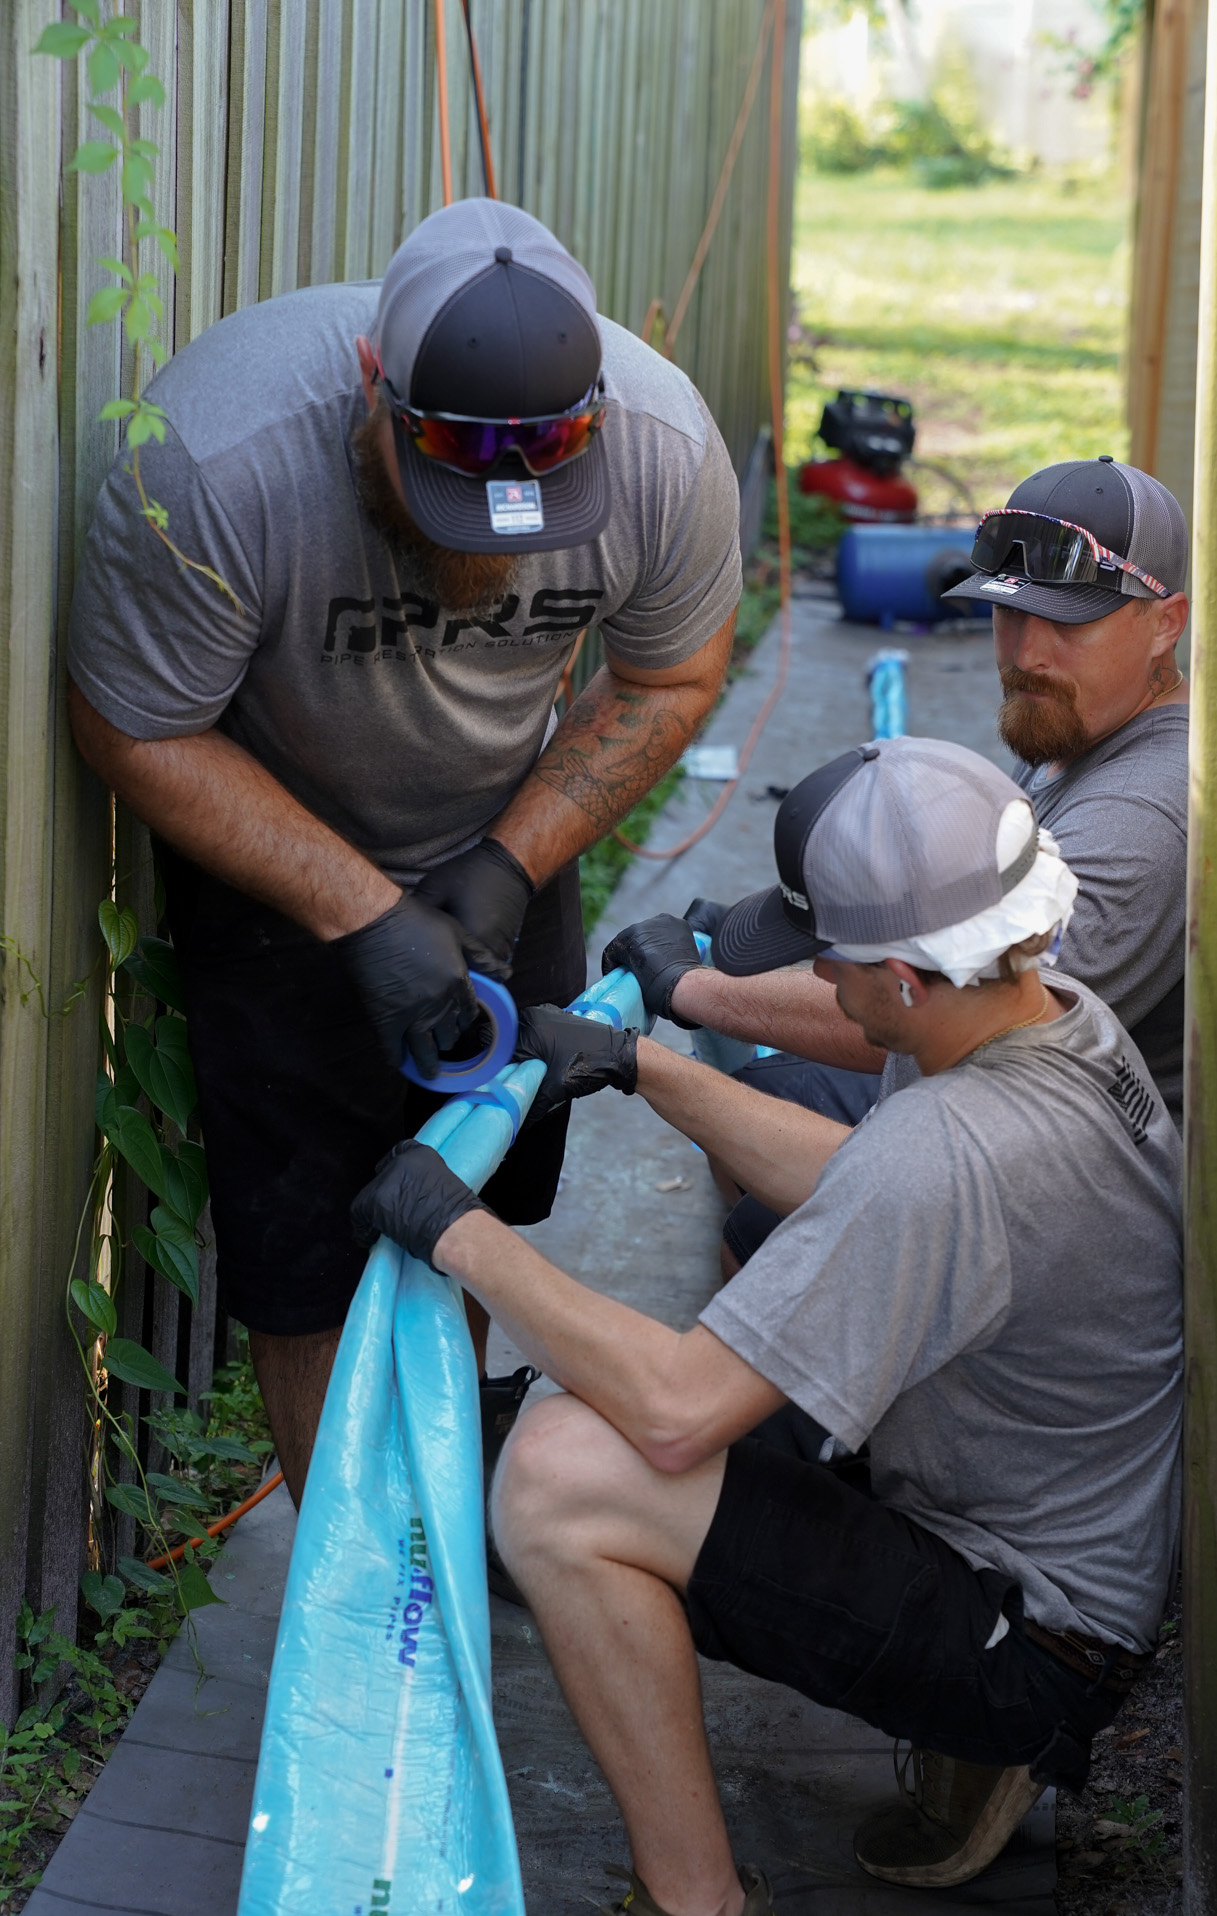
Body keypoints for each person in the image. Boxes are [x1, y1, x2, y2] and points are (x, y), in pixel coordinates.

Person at [353, 737, 1184, 1916]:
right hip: (1062, 1560)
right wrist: (647, 1068)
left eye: (829, 955)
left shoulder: (952, 1147)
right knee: (635, 1408)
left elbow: (681, 1407)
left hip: (1026, 1636)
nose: (810, 973)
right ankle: (949, 1769)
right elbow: (872, 1185)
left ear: (903, 979)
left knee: (565, 1476)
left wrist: (458, 1232)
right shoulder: (1046, 1021)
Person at [66, 197, 740, 1503]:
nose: (479, 535)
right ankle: (355, 1575)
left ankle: (445, 1526)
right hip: (279, 865)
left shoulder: (662, 453)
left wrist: (507, 864)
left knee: (468, 1215)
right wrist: (359, 911)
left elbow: (668, 677)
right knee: (306, 1262)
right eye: (442, 492)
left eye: (529, 502)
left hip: (506, 848)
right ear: (376, 382)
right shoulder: (223, 457)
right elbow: (134, 724)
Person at [604, 454, 1190, 1273]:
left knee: (763, 1222)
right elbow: (946, 926)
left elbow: (952, 1007)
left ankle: (791, 1389)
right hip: (1001, 1118)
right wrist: (796, 923)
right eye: (1006, 615)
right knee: (766, 1113)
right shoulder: (1079, 722)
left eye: (1067, 621)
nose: (1025, 652)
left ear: (1166, 622)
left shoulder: (1141, 812)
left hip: (1070, 1206)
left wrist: (693, 989)